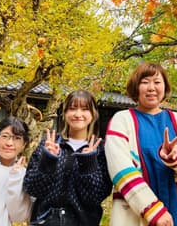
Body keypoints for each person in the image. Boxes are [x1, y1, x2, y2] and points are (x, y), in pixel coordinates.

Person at [105, 62, 177, 226]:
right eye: (145, 82)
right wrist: (154, 211)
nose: (151, 88)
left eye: (157, 82)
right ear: (136, 87)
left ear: (165, 87)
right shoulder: (121, 120)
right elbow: (119, 167)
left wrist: (176, 157)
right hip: (136, 211)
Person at [23, 90, 112, 226]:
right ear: (64, 113)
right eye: (72, 108)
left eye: (84, 109)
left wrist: (88, 163)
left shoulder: (99, 150)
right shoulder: (49, 144)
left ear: (93, 114)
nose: (78, 114)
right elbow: (32, 188)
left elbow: (96, 197)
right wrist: (48, 160)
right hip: (45, 221)